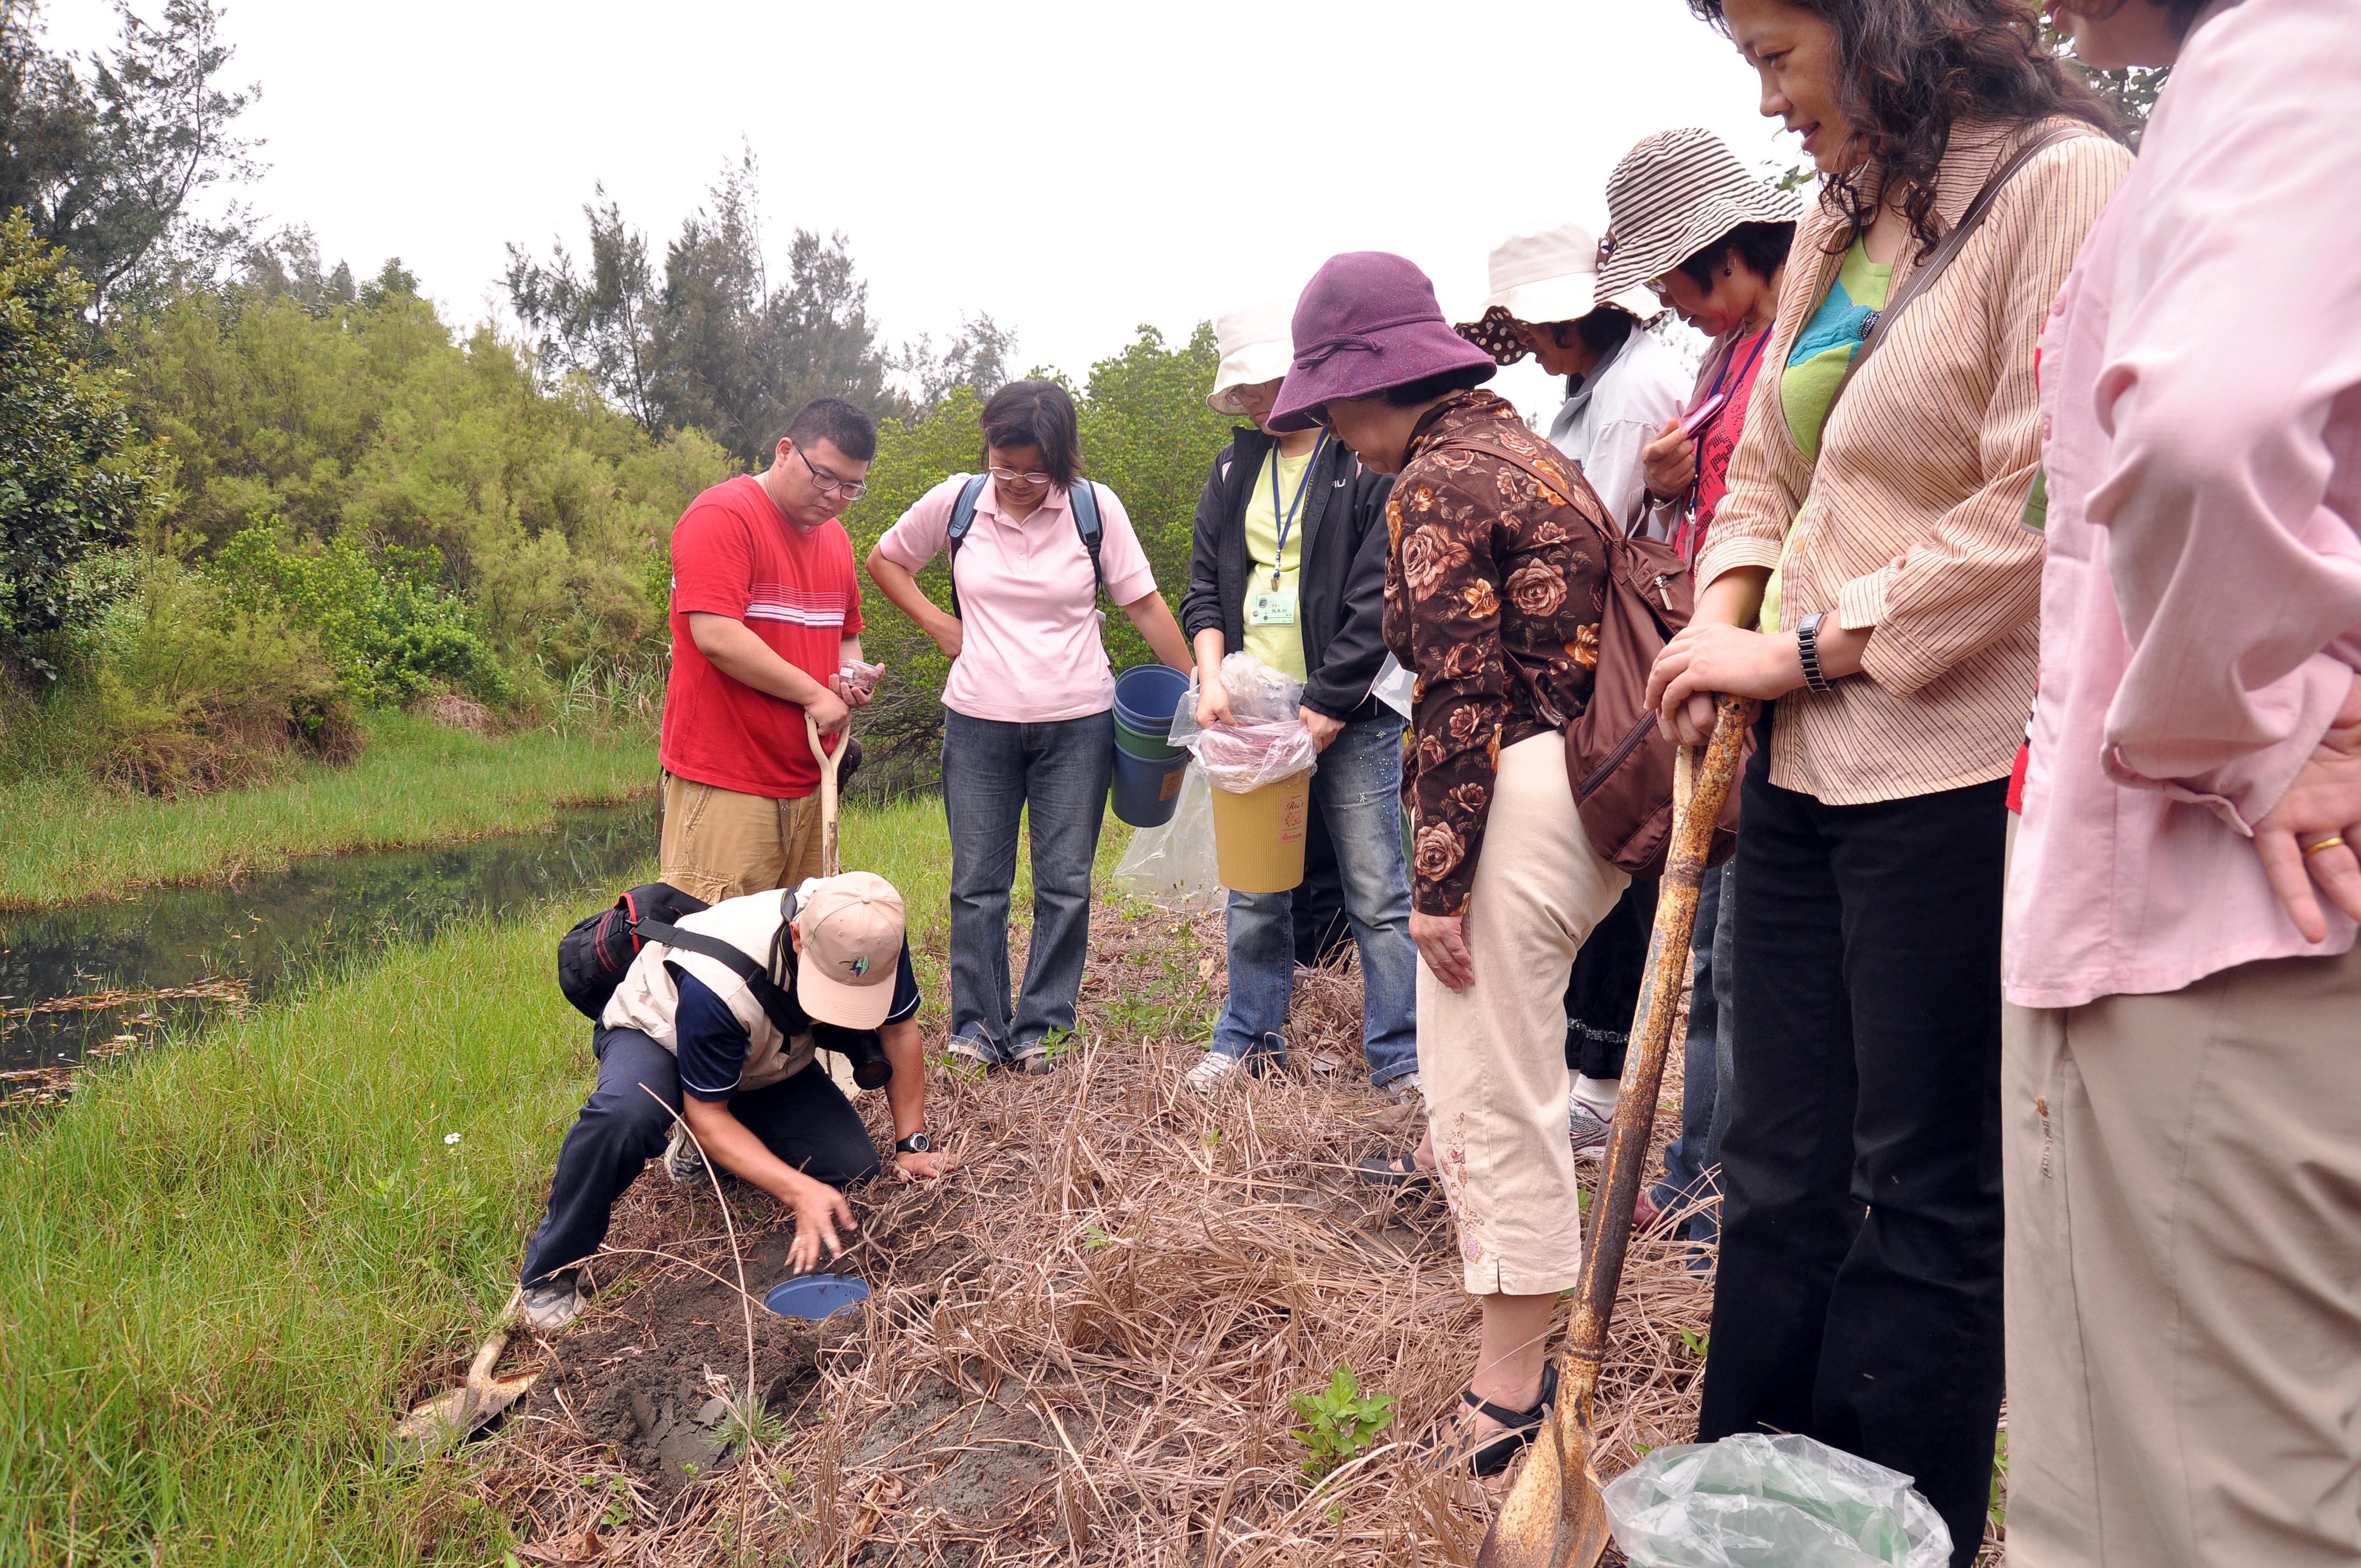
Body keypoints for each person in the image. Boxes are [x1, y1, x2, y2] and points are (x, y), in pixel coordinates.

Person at [1645, 0, 2130, 1557]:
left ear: (1885, 29)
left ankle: (1899, 1526)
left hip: (1954, 762)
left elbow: (2041, 500)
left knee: (1922, 1191)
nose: (1773, 102)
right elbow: (1770, 475)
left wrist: (1802, 652)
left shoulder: (2065, 185)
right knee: (1775, 1171)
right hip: (1793, 764)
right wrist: (1719, 629)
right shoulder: (1842, 220)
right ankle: (1745, 1513)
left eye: (1781, 57)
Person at [2004, 2, 2361, 1563]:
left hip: (2220, 932)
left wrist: (2255, 722)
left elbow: (2211, 431)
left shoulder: (2292, 47)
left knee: (2192, 1506)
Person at [1273, 251, 1628, 1476]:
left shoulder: (1434, 481)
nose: (1331, 436)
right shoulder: (1526, 451)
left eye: (1327, 411)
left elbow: (1458, 693)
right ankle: (1529, 1339)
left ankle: (1507, 1395)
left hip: (1515, 794)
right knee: (1510, 1082)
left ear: (1371, 390)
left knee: (1489, 1094)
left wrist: (1433, 880)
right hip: (1579, 784)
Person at [1590, 127, 1797, 1245]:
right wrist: (1669, 491)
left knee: (1729, 955)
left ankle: (1709, 1179)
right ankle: (1689, 1165)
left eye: (1677, 280)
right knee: (1708, 950)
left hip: (1776, 686)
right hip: (1716, 677)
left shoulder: (1801, 347)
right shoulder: (1724, 362)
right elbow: (1704, 527)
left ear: (1723, 252)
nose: (1676, 307)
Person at [866, 382, 1192, 1075]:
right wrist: (937, 622)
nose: (1016, 483)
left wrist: (1202, 687)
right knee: (977, 883)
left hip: (1077, 723)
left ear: (1063, 459)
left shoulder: (1092, 508)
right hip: (978, 721)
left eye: (1033, 470)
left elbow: (1145, 605)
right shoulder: (957, 502)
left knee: (1065, 882)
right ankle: (978, 1025)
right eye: (1003, 465)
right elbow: (885, 559)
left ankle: (1044, 1024)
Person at [1457, 226, 1688, 1153]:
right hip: (1594, 655)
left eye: (1538, 325)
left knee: (1615, 856)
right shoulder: (1591, 388)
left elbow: (1595, 532)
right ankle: (1583, 1071)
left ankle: (1596, 1079)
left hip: (1615, 656)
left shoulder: (1631, 393)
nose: (1537, 344)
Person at [517, 872, 953, 1331]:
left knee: (851, 1166)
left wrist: (912, 1143)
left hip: (761, 1051)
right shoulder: (719, 985)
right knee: (625, 1116)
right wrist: (797, 1190)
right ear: (800, 937)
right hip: (662, 1030)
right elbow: (708, 1116)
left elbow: (899, 1030)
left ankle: (703, 1152)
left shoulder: (871, 931)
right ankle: (551, 1273)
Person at [1178, 300, 1421, 1100]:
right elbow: (1205, 590)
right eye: (1240, 386)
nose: (1252, 398)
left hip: (1351, 714)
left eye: (1264, 380)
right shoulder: (1231, 467)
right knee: (1256, 888)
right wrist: (1212, 680)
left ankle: (1401, 1057)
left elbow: (1376, 596)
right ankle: (1248, 1035)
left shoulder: (1362, 458)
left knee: (1377, 888)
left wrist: (1327, 708)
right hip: (1253, 709)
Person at [657, 398, 880, 905]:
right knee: (711, 952)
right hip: (728, 780)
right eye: (824, 477)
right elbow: (716, 634)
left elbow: (846, 630)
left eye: (851, 487)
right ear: (785, 451)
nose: (835, 497)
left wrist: (850, 677)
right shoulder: (722, 515)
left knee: (794, 947)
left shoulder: (836, 540)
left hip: (810, 779)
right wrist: (813, 696)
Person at [1455, 222, 1687, 532]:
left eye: (1529, 326)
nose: (1524, 341)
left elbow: (1602, 539)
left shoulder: (1629, 394)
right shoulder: (1609, 381)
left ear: (1567, 319)